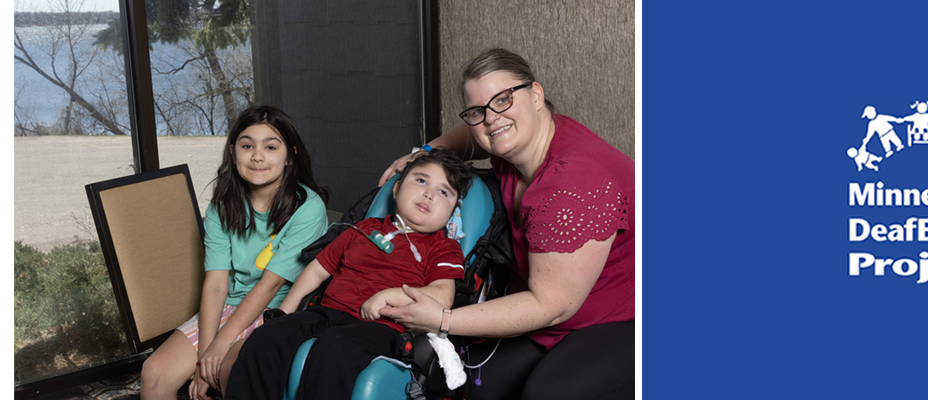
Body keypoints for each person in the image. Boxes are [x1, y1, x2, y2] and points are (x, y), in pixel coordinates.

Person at [377, 48, 635, 400]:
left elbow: (550, 305)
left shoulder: (573, 183)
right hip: (554, 313)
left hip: (624, 318)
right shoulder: (513, 142)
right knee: (473, 384)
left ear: (536, 95)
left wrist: (442, 319)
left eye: (502, 100)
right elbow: (477, 134)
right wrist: (427, 150)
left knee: (546, 394)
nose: (491, 119)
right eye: (477, 111)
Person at [222, 149, 475, 400]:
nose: (429, 194)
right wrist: (285, 313)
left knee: (334, 347)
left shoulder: (442, 247)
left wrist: (390, 296)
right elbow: (316, 270)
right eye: (421, 180)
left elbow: (442, 297)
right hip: (326, 312)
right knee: (267, 337)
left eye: (444, 192)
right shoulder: (363, 229)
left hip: (383, 328)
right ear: (396, 189)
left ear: (452, 213)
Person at [139, 105, 329, 400]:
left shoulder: (309, 207)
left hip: (277, 311)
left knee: (231, 370)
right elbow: (215, 284)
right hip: (228, 305)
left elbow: (270, 285)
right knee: (153, 373)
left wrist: (220, 348)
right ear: (233, 152)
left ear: (289, 155)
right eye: (247, 145)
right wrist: (205, 358)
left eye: (270, 147)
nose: (257, 156)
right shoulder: (222, 206)